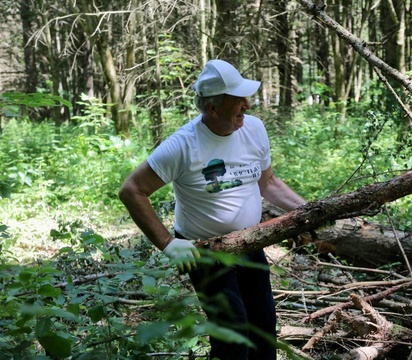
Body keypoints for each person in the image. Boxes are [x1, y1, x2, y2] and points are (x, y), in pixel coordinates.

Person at [118, 59, 306, 360]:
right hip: (207, 251)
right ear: (213, 108)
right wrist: (168, 244)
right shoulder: (183, 145)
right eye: (238, 99)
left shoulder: (254, 129)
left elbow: (268, 182)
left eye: (246, 97)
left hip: (251, 243)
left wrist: (310, 212)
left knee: (263, 328)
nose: (246, 104)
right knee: (232, 337)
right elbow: (132, 190)